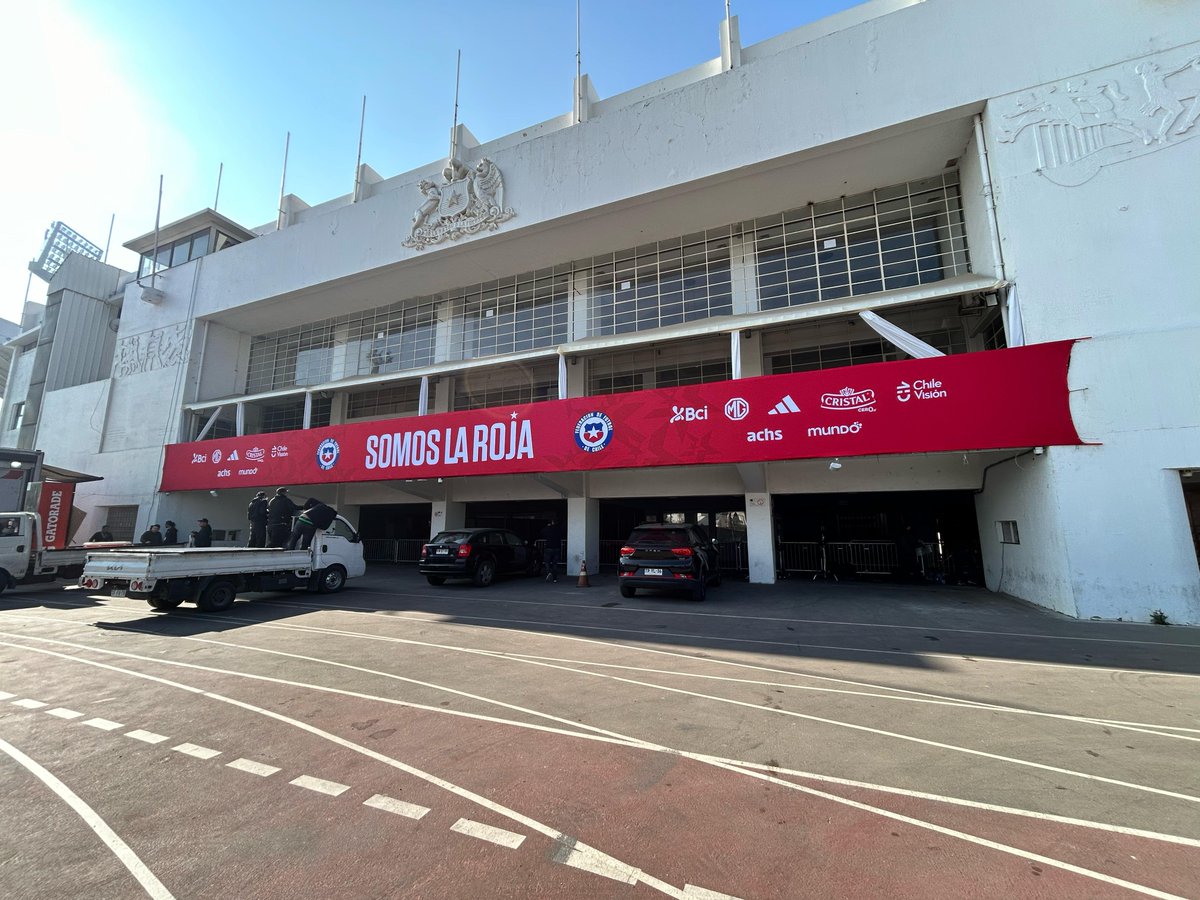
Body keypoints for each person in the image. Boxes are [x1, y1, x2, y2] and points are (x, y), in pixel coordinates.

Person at [538, 518, 563, 583]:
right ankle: (555, 579)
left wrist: (548, 526)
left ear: (552, 522)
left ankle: (549, 572)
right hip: (557, 547)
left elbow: (541, 532)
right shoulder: (559, 529)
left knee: (547, 562)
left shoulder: (548, 529)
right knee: (555, 564)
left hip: (549, 547)